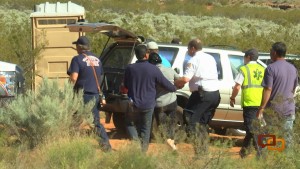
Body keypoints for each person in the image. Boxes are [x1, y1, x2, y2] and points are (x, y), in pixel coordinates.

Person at [124, 44, 176, 152]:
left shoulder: (130, 68)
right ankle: (143, 152)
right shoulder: (153, 69)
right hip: (148, 104)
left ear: (136, 55)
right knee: (146, 129)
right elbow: (165, 83)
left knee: (130, 123)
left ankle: (135, 141)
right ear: (146, 55)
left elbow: (126, 85)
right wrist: (173, 88)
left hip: (134, 103)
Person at [175, 38, 220, 155]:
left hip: (202, 95)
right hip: (215, 95)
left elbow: (185, 79)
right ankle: (204, 150)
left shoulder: (194, 60)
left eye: (188, 49)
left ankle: (200, 152)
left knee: (191, 120)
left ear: (192, 48)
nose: (188, 51)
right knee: (202, 123)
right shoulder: (210, 57)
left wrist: (175, 84)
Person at [67, 36, 112, 152]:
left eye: (76, 45)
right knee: (94, 121)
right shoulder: (97, 59)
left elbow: (74, 77)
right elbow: (101, 76)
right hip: (95, 94)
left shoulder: (77, 59)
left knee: (75, 120)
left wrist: (68, 89)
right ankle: (105, 145)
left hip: (82, 94)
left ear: (79, 47)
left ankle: (73, 144)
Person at [257, 42, 298, 148]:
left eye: (270, 50)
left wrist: (261, 108)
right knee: (287, 139)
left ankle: (266, 160)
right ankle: (287, 162)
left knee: (268, 137)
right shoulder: (293, 69)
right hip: (289, 109)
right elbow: (293, 89)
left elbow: (268, 89)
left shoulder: (270, 68)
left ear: (274, 52)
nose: (270, 52)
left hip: (273, 110)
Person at [229, 49, 265, 158]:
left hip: (249, 102)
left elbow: (237, 86)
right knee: (252, 128)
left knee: (252, 129)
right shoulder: (263, 69)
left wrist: (232, 97)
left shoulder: (244, 69)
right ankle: (244, 152)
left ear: (248, 57)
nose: (244, 59)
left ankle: (261, 154)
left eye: (244, 57)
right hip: (261, 103)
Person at [148, 52, 180, 150]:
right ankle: (171, 141)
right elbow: (179, 79)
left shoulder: (152, 71)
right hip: (172, 101)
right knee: (171, 123)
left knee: (162, 125)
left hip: (159, 103)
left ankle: (168, 142)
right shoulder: (169, 70)